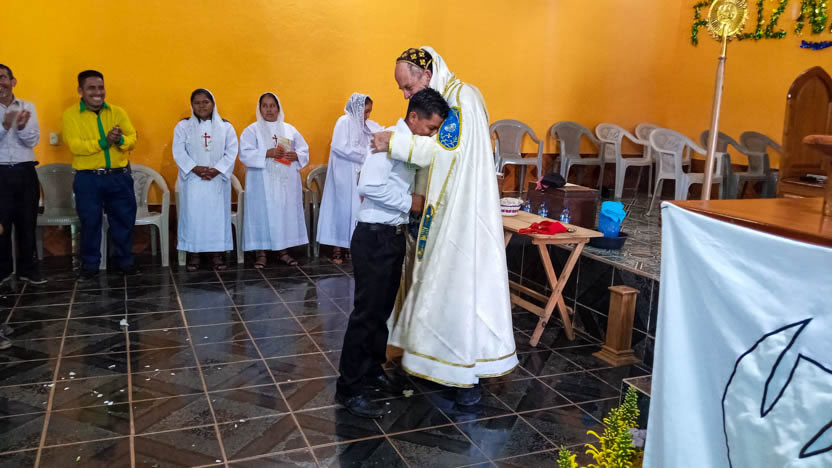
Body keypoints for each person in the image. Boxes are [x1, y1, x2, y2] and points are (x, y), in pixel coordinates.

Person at [372, 47, 518, 406]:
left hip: (459, 218)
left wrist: (395, 142)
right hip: (442, 211)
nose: (405, 96)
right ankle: (431, 363)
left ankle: (460, 372)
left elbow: (447, 154)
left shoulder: (461, 98)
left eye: (408, 87)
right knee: (435, 287)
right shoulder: (448, 97)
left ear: (427, 74)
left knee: (454, 289)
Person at [335, 88, 448, 419]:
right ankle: (349, 388)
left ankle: (372, 372)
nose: (432, 135)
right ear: (413, 117)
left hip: (391, 236)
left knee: (382, 311)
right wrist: (409, 203)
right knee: (366, 314)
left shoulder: (407, 145)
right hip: (374, 236)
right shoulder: (386, 142)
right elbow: (368, 186)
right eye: (430, 127)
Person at [63, 70, 138, 280]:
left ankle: (125, 262)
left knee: (124, 220)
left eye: (101, 87)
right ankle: (90, 266)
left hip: (119, 176)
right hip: (88, 178)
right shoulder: (70, 115)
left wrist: (120, 140)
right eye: (91, 88)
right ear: (80, 90)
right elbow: (76, 146)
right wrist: (105, 142)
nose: (98, 92)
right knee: (90, 222)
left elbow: (132, 138)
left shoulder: (117, 112)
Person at [240, 92, 309, 268]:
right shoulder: (252, 130)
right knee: (261, 214)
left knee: (283, 215)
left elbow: (304, 150)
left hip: (285, 182)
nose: (269, 109)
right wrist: (266, 153)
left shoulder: (289, 129)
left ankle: (283, 251)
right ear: (260, 108)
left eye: (272, 106)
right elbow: (245, 153)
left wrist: (296, 155)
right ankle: (261, 253)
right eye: (265, 106)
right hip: (260, 183)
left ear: (278, 108)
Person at [173, 89, 238, 272]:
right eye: (197, 102)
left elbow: (231, 151)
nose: (201, 106)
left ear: (213, 103)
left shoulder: (226, 127)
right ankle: (194, 254)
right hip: (193, 181)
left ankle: (216, 254)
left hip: (217, 181)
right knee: (194, 217)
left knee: (216, 218)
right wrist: (195, 168)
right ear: (192, 105)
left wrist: (217, 170)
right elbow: (178, 151)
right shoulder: (183, 126)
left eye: (205, 102)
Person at [316, 93, 382, 265]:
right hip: (343, 174)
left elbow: (377, 138)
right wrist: (365, 154)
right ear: (357, 109)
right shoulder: (343, 122)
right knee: (341, 209)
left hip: (360, 174)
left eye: (369, 112)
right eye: (365, 111)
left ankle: (353, 246)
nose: (367, 116)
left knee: (356, 210)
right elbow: (340, 147)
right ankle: (337, 247)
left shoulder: (367, 125)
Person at [0, 64, 45, 288]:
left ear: (13, 81)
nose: (0, 84)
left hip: (25, 171)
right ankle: (3, 270)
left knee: (27, 221)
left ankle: (28, 269)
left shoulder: (28, 107)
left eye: (2, 78)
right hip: (0, 172)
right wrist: (4, 126)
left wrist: (21, 127)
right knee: (2, 224)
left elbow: (33, 140)